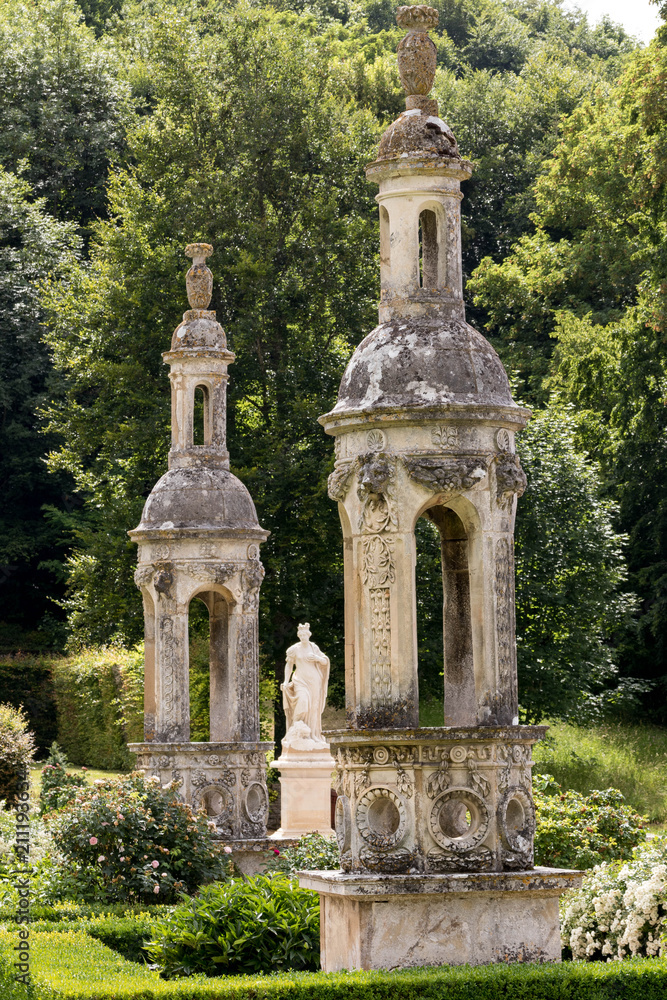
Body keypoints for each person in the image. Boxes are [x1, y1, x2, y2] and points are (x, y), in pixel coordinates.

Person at [281, 623, 330, 748]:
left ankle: (312, 735)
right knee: (303, 703)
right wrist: (286, 681)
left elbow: (325, 661)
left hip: (315, 682)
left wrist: (317, 658)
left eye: (305, 635)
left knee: (314, 708)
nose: (303, 637)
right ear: (299, 636)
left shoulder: (314, 648)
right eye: (301, 635)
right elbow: (289, 665)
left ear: (309, 635)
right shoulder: (294, 649)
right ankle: (295, 731)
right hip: (300, 681)